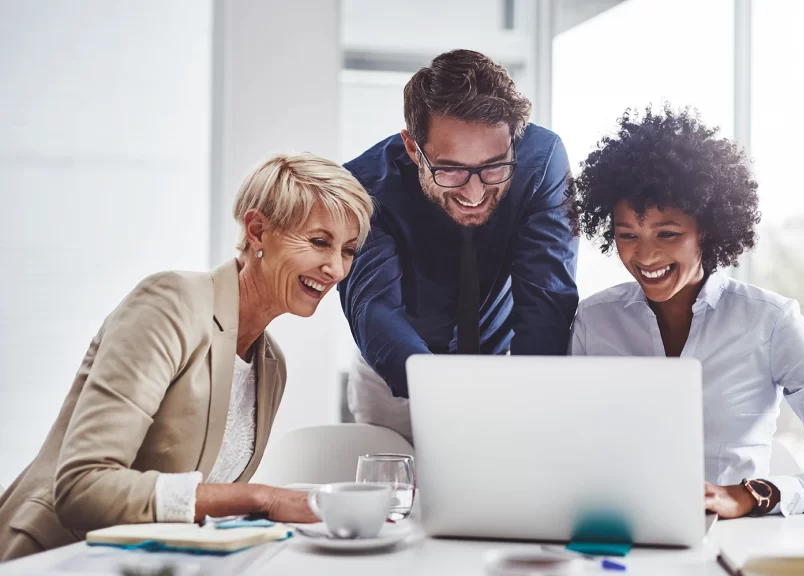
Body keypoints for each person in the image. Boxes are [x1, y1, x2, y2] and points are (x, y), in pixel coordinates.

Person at [0, 153, 374, 560]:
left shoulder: (272, 366)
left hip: (149, 565)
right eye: (319, 242)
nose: (336, 269)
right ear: (257, 230)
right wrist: (261, 498)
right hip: (55, 558)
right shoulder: (170, 304)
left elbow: (198, 512)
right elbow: (84, 487)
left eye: (348, 250)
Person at [568, 106, 804, 518]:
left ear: (707, 229)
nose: (645, 255)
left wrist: (750, 495)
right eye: (627, 235)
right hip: (619, 531)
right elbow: (569, 448)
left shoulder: (770, 321)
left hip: (733, 539)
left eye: (668, 233)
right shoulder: (594, 321)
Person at [340, 49, 579, 442]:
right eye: (450, 169)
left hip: (504, 367)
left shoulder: (542, 161)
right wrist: (448, 396)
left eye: (494, 166)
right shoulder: (362, 186)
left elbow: (546, 298)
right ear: (413, 148)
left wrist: (530, 400)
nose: (474, 192)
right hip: (395, 379)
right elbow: (374, 308)